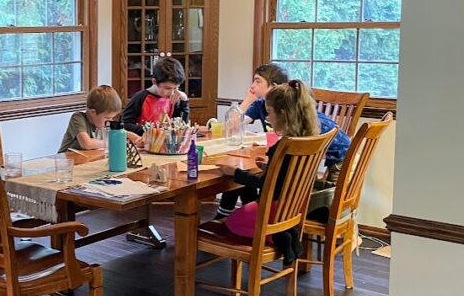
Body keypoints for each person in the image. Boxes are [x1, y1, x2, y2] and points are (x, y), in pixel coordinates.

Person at [217, 80, 326, 265]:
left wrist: (234, 173)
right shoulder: (306, 140)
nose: (268, 118)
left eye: (270, 113)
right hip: (292, 210)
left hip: (270, 211)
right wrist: (270, 168)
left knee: (231, 222)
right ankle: (285, 234)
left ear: (282, 113)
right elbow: (286, 177)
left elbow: (265, 185)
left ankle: (275, 237)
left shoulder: (282, 146)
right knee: (245, 215)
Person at [58, 85, 141, 153]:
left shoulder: (103, 122)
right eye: (107, 117)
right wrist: (113, 142)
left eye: (112, 117)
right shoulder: (78, 118)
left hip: (87, 161)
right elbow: (86, 144)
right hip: (66, 163)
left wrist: (139, 140)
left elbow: (124, 133)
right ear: (93, 112)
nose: (110, 121)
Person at [121, 56, 190, 135]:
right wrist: (153, 131)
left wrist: (184, 100)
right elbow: (125, 125)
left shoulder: (175, 98)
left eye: (176, 88)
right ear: (154, 81)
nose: (172, 93)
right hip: (142, 143)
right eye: (167, 88)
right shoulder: (140, 98)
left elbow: (182, 125)